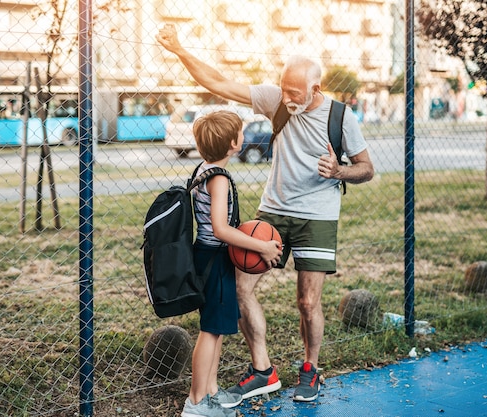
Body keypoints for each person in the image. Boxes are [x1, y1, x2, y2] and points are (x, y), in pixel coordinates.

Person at [157, 24, 375, 403]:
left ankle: (310, 369)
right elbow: (219, 83)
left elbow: (367, 168)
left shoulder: (342, 118)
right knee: (241, 290)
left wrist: (338, 171)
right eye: (283, 89)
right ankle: (263, 371)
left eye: (295, 93)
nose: (287, 98)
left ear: (315, 90)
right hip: (272, 211)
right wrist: (180, 50)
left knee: (308, 302)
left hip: (317, 215)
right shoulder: (275, 99)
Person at [183, 110, 283, 417]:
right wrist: (262, 246)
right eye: (240, 133)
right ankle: (197, 402)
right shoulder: (219, 178)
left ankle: (210, 392)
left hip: (209, 257)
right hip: (214, 259)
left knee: (217, 329)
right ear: (232, 144)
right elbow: (220, 229)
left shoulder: (204, 169)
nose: (243, 136)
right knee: (210, 331)